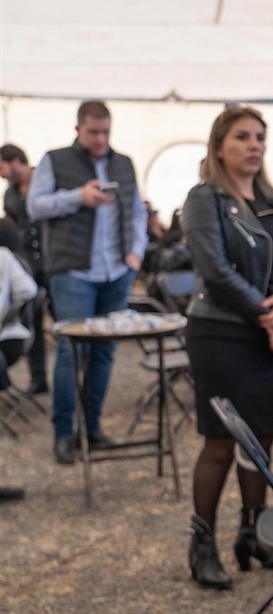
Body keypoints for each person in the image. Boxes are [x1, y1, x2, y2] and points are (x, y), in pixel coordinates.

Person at [181, 106, 273, 589]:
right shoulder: (203, 197)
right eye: (242, 137)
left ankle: (252, 535)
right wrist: (268, 313)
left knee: (263, 437)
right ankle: (202, 544)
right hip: (221, 332)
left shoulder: (272, 201)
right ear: (219, 146)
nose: (254, 145)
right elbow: (214, 270)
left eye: (259, 137)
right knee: (221, 441)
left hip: (266, 333)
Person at [27, 101, 148, 465]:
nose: (100, 139)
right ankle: (64, 434)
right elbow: (35, 205)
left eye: (105, 132)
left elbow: (137, 211)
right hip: (72, 272)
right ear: (78, 128)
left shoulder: (123, 162)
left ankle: (91, 429)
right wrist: (78, 197)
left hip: (117, 271)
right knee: (70, 351)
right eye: (93, 132)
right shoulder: (54, 159)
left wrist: (136, 253)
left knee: (105, 351)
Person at [0, 143, 49, 394]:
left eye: (2, 168)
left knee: (67, 323)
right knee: (32, 322)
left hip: (54, 263)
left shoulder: (46, 180)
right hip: (29, 266)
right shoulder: (9, 195)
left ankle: (76, 378)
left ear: (16, 161)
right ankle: (39, 379)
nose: (1, 175)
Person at [0, 218, 38, 393]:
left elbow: (29, 290)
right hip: (14, 336)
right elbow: (29, 290)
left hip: (7, 338)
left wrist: (8, 314)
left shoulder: (3, 256)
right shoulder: (7, 256)